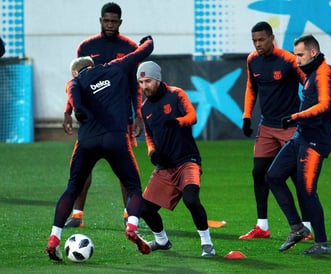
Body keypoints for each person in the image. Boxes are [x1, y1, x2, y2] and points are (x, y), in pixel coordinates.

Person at [45, 36, 154, 262]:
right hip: (116, 138)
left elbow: (74, 96)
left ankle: (54, 239)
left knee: (72, 187)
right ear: (92, 67)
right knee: (133, 186)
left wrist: (79, 110)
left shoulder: (74, 82)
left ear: (76, 72)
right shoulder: (114, 68)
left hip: (87, 141)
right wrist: (148, 41)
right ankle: (132, 226)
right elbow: (142, 53)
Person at [63, 2, 142, 228]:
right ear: (100, 21)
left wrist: (137, 113)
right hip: (90, 117)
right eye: (106, 20)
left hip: (119, 118)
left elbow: (134, 84)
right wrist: (68, 111)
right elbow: (75, 83)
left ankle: (130, 215)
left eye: (114, 21)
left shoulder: (130, 47)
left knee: (125, 169)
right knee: (82, 167)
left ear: (120, 22)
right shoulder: (86, 47)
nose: (109, 24)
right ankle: (77, 215)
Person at [265, 34, 331, 255]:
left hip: (315, 140)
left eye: (300, 55)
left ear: (313, 53)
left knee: (307, 191)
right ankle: (297, 227)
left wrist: (297, 116)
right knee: (273, 176)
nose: (296, 60)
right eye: (295, 55)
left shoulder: (325, 73)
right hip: (301, 137)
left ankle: (322, 243)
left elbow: (325, 105)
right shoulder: (311, 73)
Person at [240, 21, 312, 240]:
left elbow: (309, 84)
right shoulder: (252, 60)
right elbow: (251, 88)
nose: (258, 44)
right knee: (258, 172)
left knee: (296, 176)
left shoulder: (289, 60)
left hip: (290, 128)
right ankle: (262, 226)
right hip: (267, 127)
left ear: (272, 38)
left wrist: (307, 115)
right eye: (254, 41)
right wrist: (246, 116)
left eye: (261, 40)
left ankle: (307, 226)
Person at [137, 61, 216, 257]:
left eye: (147, 81)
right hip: (165, 166)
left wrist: (177, 122)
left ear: (157, 79)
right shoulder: (144, 108)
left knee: (191, 199)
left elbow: (192, 116)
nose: (144, 86)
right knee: (145, 209)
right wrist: (152, 152)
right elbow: (148, 136)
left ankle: (207, 244)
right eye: (140, 82)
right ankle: (162, 240)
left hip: (187, 160)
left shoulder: (176, 94)